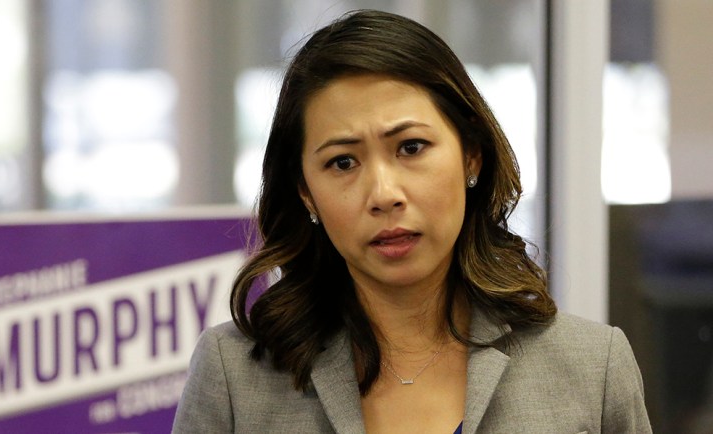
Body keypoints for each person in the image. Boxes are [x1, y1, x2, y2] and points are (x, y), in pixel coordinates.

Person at [172, 9, 651, 434]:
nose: (384, 195)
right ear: (305, 193)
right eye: (342, 162)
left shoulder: (593, 367)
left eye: (411, 148)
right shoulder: (234, 374)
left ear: (471, 158)